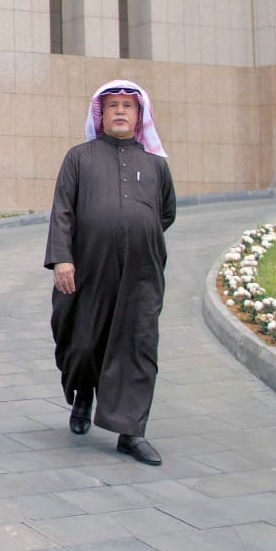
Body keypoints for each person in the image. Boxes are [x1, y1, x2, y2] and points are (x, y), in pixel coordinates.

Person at [45, 80, 176, 465]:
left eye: (127, 106)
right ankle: (83, 393)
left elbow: (165, 213)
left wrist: (135, 234)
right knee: (83, 343)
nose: (120, 111)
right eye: (112, 105)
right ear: (100, 115)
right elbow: (62, 210)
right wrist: (63, 259)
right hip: (87, 269)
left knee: (138, 345)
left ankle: (131, 431)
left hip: (141, 274)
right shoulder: (78, 158)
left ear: (139, 116)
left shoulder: (156, 165)